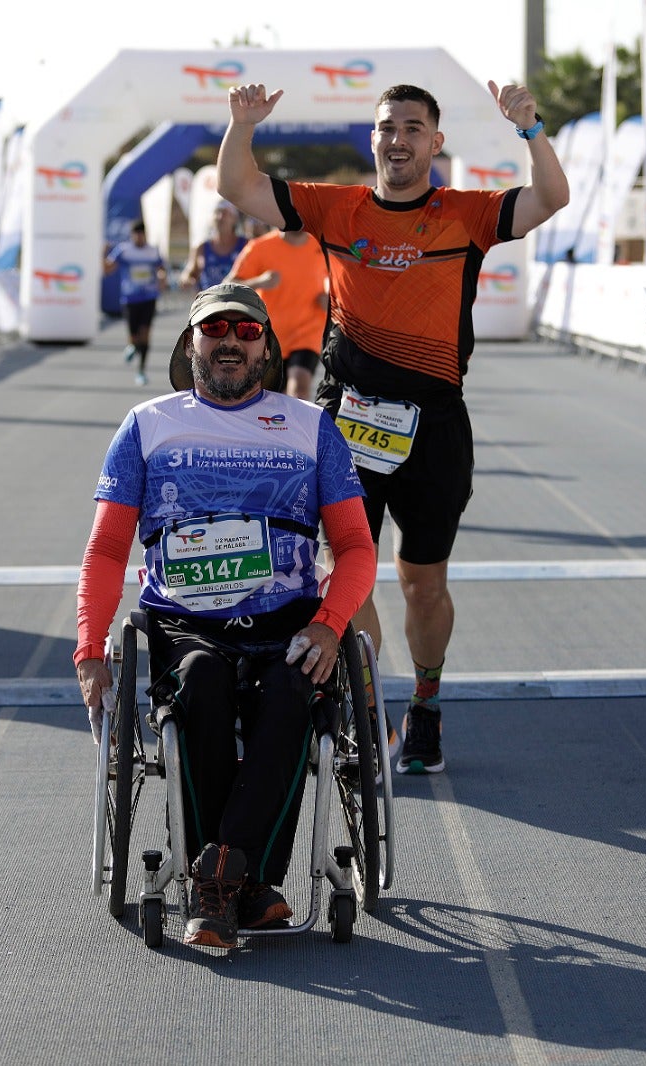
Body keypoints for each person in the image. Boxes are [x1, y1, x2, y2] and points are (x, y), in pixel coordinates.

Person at [218, 80, 569, 776]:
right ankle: (370, 713)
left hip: (434, 429)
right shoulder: (336, 206)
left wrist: (530, 130)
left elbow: (550, 199)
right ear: (373, 139)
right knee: (346, 572)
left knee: (422, 584)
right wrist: (242, 124)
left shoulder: (463, 215)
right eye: (387, 127)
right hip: (345, 421)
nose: (398, 139)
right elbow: (239, 184)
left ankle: (427, 702)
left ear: (434, 144)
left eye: (413, 128)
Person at [73, 282, 376, 951]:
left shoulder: (311, 428)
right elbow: (105, 548)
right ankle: (253, 886)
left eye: (247, 331)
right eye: (217, 330)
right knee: (202, 681)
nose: (232, 341)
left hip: (287, 619)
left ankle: (218, 877)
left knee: (294, 690)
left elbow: (356, 547)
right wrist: (90, 651)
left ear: (266, 347)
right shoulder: (148, 425)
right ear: (192, 344)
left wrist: (329, 624)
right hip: (185, 623)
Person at [224, 227, 330, 401]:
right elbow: (228, 286)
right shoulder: (260, 246)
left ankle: (296, 428)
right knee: (269, 399)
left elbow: (339, 280)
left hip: (306, 334)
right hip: (270, 336)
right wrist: (259, 282)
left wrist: (330, 300)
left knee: (299, 390)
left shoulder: (322, 246)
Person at [103, 221, 168, 386]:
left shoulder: (152, 252)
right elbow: (108, 269)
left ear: (145, 235)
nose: (138, 237)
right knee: (134, 337)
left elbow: (161, 268)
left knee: (145, 334)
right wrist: (102, 255)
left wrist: (161, 277)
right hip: (130, 299)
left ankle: (141, 370)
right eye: (136, 234)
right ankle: (132, 345)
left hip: (148, 298)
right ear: (132, 235)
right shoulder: (124, 251)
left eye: (141, 234)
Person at [179, 202, 246, 292]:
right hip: (209, 302)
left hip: (238, 301)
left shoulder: (246, 245)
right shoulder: (201, 247)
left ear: (234, 219)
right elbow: (188, 272)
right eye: (217, 212)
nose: (220, 217)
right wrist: (186, 280)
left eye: (225, 213)